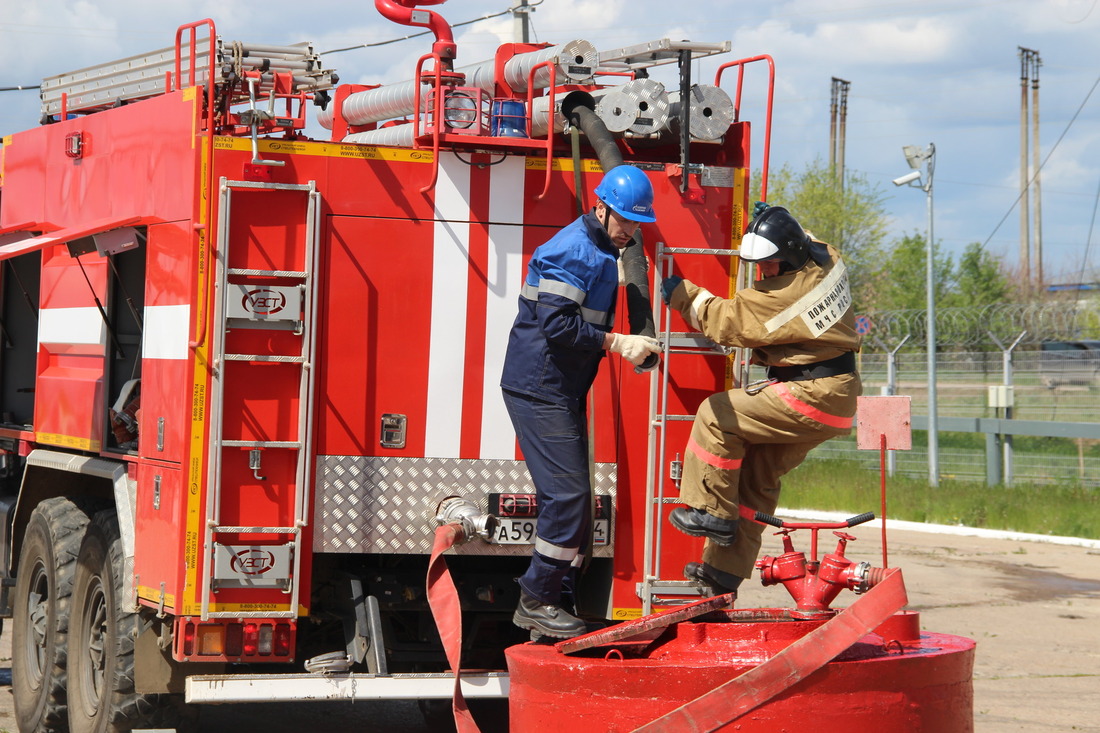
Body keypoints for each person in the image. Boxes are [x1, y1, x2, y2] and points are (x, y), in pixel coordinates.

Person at [660, 205, 861, 598]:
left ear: (788, 257)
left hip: (809, 393)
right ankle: (723, 574)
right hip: (835, 394)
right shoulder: (826, 255)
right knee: (755, 480)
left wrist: (683, 295)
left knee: (717, 415)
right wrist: (770, 219)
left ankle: (710, 512)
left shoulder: (788, 294)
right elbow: (805, 232)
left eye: (769, 265)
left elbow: (726, 321)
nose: (763, 273)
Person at [501, 165, 662, 639]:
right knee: (569, 498)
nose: (630, 233)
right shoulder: (573, 251)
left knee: (572, 499)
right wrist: (618, 343)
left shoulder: (595, 247)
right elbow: (556, 326)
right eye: (626, 222)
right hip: (540, 389)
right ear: (601, 207)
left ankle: (550, 598)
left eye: (637, 224)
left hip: (556, 389)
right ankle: (537, 600)